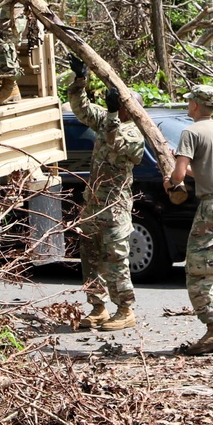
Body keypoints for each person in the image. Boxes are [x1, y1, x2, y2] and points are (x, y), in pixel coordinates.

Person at [163, 84, 213, 354]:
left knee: (198, 271)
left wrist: (171, 180)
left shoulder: (191, 132)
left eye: (189, 103)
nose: (188, 107)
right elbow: (209, 170)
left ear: (196, 105)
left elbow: (179, 173)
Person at [67, 54, 145, 331]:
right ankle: (97, 308)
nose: (119, 107)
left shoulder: (135, 134)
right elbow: (80, 108)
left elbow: (115, 142)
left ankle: (125, 309)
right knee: (89, 256)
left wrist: (112, 114)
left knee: (116, 259)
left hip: (115, 206)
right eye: (119, 103)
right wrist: (80, 79)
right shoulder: (106, 119)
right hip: (93, 204)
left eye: (124, 104)